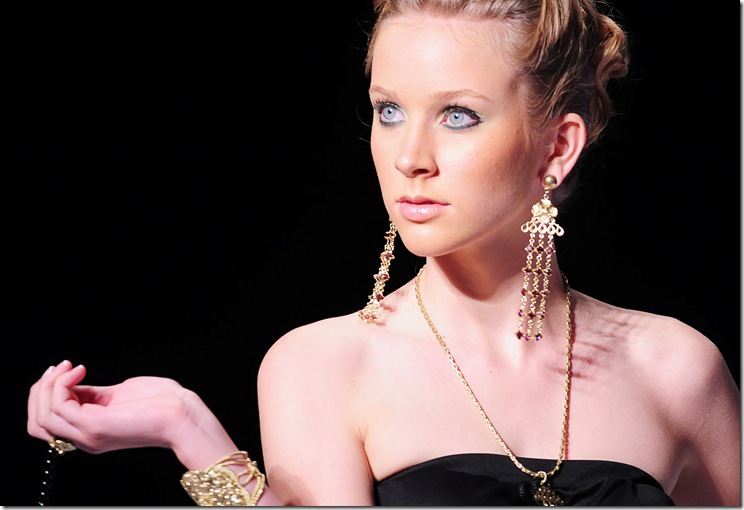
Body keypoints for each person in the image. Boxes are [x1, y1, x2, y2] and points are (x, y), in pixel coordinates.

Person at [26, 0, 740, 506]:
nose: (409, 157)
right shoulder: (323, 366)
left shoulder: (678, 369)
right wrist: (188, 429)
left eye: (457, 115)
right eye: (388, 110)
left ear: (557, 146)